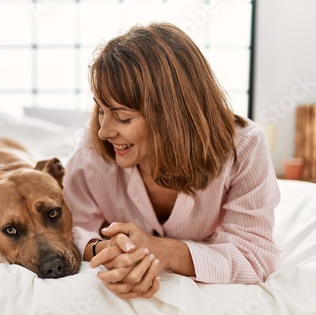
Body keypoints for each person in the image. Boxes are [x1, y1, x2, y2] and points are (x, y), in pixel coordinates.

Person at [63, 22, 281, 300]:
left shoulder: (245, 146)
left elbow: (255, 256)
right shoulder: (95, 147)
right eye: (101, 111)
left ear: (171, 116)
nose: (104, 131)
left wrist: (159, 251)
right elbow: (69, 229)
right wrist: (109, 250)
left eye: (123, 118)